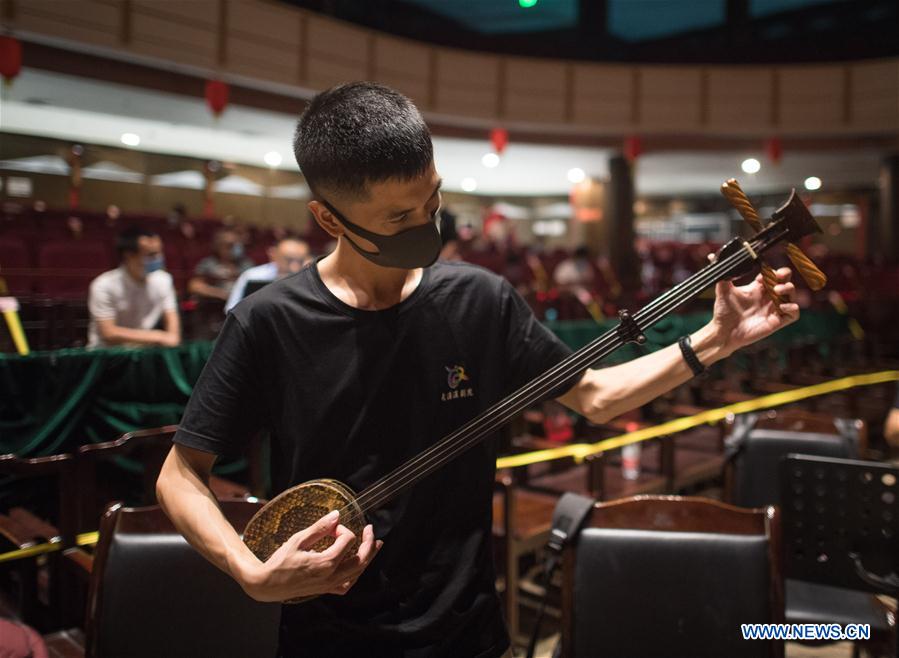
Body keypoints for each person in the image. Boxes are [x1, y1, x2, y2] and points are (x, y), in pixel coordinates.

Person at [156, 82, 799, 658]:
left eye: (431, 201)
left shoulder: (479, 300)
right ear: (328, 218)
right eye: (398, 218)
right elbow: (181, 476)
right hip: (326, 639)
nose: (425, 226)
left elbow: (597, 396)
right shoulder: (267, 322)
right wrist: (248, 569)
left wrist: (715, 340)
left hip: (467, 633)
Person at [87, 226, 180, 348]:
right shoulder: (104, 285)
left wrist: (164, 337)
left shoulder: (164, 280)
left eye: (159, 252)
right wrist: (158, 336)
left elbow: (173, 336)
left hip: (143, 354)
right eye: (151, 254)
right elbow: (108, 333)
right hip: (106, 356)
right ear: (129, 255)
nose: (158, 258)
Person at [224, 236, 312, 312]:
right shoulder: (252, 276)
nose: (294, 267)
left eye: (300, 261)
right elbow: (232, 309)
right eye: (289, 260)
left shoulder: (310, 279)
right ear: (273, 255)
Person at [187, 228, 254, 302]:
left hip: (241, 305)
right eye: (230, 245)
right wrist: (222, 294)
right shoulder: (208, 263)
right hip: (214, 305)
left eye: (237, 245)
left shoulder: (246, 264)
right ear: (219, 246)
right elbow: (194, 286)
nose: (234, 248)